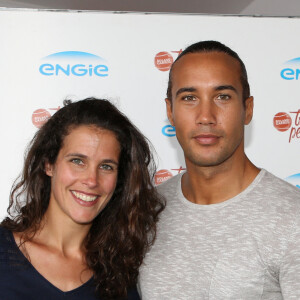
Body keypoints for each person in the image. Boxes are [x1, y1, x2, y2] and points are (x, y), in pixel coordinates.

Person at [138, 41, 300, 299]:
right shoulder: (147, 212)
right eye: (189, 98)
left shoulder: (293, 218)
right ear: (170, 111)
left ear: (247, 109)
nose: (206, 116)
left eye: (222, 96)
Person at [0, 98, 164, 299]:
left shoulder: (123, 275)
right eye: (77, 161)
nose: (92, 180)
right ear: (49, 164)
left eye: (106, 166)